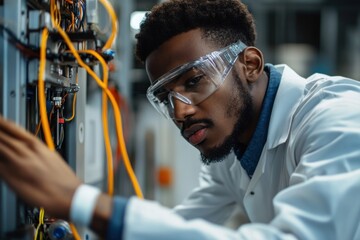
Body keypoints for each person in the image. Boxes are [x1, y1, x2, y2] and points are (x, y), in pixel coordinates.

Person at [1, 0, 360, 239]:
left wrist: (80, 200)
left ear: (249, 64)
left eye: (194, 82)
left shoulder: (337, 119)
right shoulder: (235, 144)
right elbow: (189, 224)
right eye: (165, 97)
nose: (180, 111)